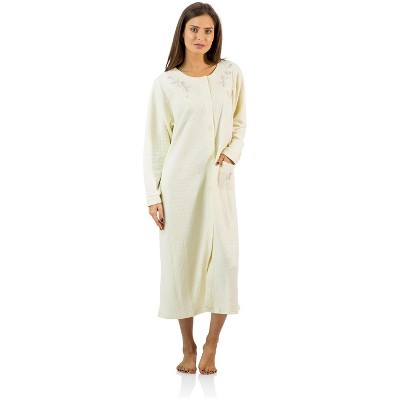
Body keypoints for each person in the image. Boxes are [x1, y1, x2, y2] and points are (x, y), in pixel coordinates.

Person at [143, 2, 246, 375]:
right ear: (182, 33)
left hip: (218, 184)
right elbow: (156, 143)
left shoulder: (230, 74)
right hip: (180, 186)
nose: (201, 37)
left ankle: (212, 345)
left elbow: (240, 121)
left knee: (226, 262)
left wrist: (231, 155)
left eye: (208, 30)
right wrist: (153, 196)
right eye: (194, 30)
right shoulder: (166, 83)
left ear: (215, 35)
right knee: (182, 264)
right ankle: (187, 346)